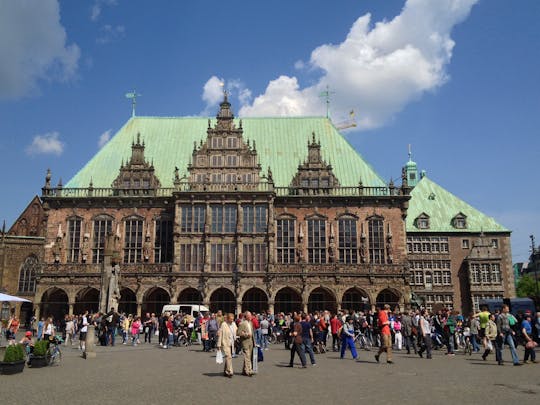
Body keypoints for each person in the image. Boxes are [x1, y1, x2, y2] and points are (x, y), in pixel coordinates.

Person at [217, 313, 237, 377]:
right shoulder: (223, 324)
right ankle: (229, 371)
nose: (232, 320)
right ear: (227, 319)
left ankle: (225, 371)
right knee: (229, 357)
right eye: (231, 319)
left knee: (228, 358)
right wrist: (219, 345)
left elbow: (237, 331)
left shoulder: (234, 324)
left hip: (232, 343)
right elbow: (220, 335)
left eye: (233, 319)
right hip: (225, 343)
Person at [237, 311, 255, 376]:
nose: (251, 317)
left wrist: (254, 342)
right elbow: (238, 333)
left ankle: (244, 370)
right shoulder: (242, 323)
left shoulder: (250, 323)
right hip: (245, 342)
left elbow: (252, 333)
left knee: (249, 357)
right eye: (250, 316)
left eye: (251, 315)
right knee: (247, 356)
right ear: (246, 316)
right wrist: (246, 334)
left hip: (251, 342)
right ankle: (249, 370)